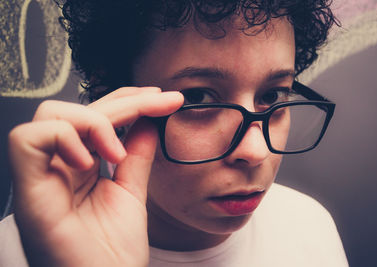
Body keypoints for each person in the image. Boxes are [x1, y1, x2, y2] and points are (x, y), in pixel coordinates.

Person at [0, 0, 348, 266]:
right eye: (197, 98)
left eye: (272, 96)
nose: (256, 151)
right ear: (112, 94)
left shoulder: (309, 226)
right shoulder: (16, 252)